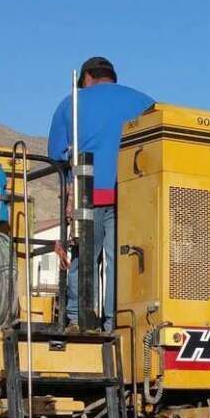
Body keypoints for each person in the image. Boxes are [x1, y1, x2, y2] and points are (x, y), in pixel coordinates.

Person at [47, 57, 153, 328]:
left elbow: (56, 156)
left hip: (87, 194)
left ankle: (76, 317)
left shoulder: (72, 102)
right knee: (120, 260)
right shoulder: (145, 102)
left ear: (87, 78)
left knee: (83, 256)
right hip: (130, 195)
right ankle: (114, 323)